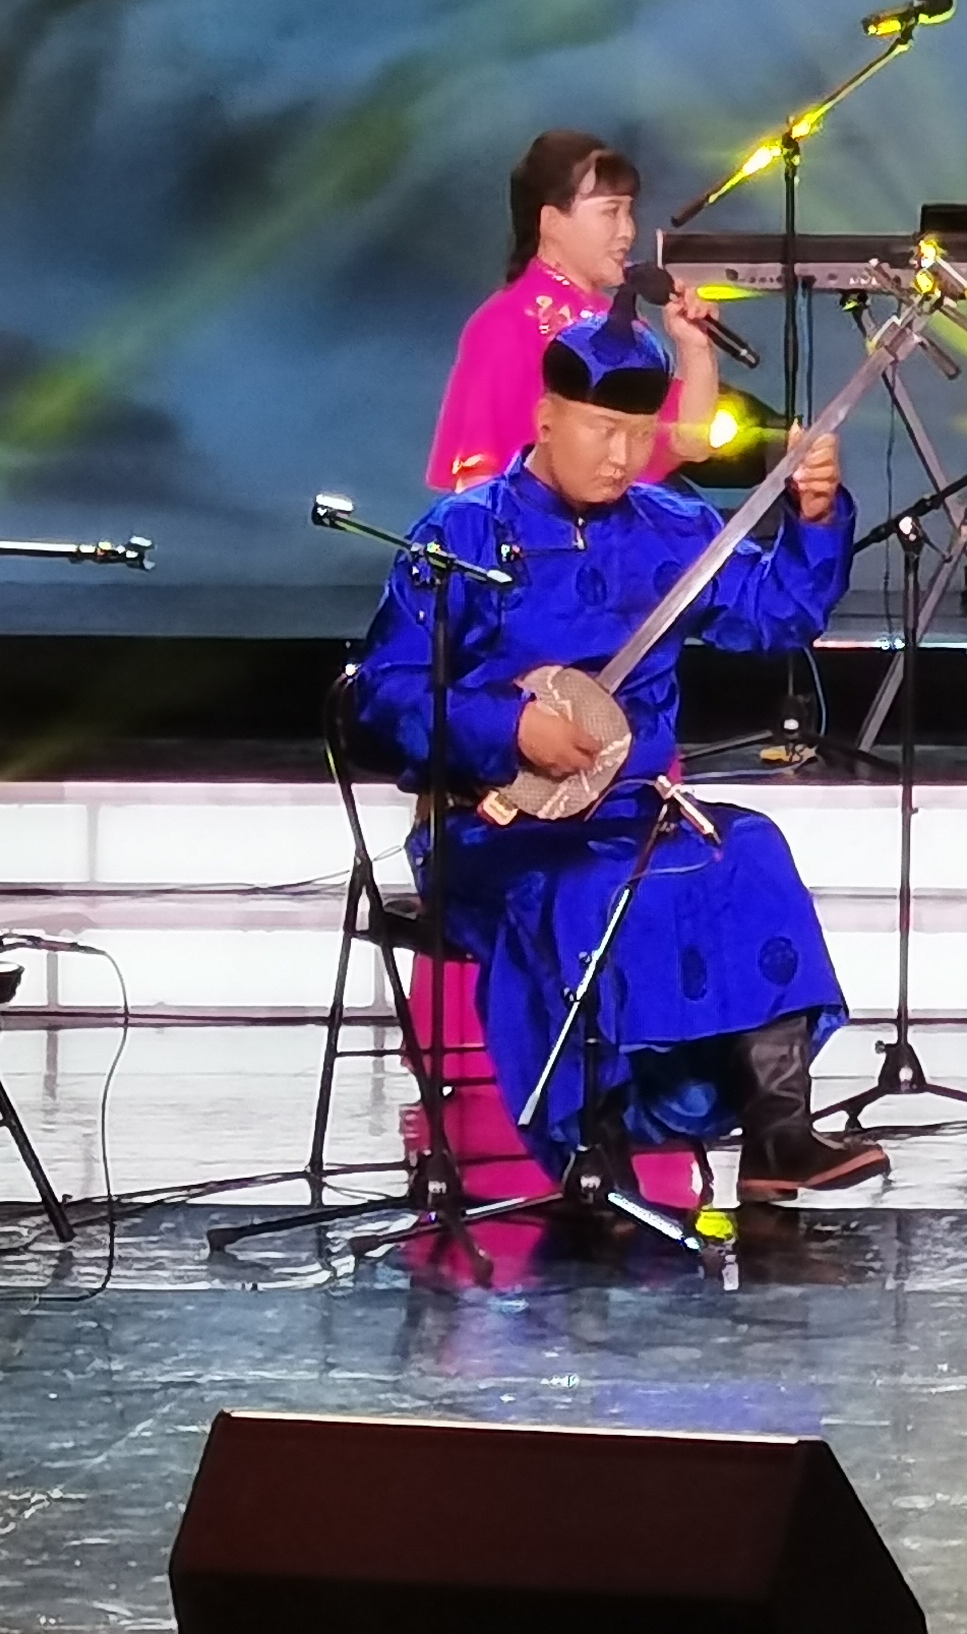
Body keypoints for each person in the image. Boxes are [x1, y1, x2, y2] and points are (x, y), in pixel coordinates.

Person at [351, 291, 879, 1204]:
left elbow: (776, 614)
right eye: (601, 431)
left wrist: (816, 518)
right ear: (547, 418)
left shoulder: (672, 526)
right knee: (586, 888)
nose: (621, 456)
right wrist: (508, 727)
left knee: (750, 848)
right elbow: (381, 695)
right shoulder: (465, 533)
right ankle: (591, 1143)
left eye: (638, 435)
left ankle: (777, 1131)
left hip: (632, 811)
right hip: (495, 826)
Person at [427, 129, 721, 493]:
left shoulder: (623, 325)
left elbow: (691, 442)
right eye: (610, 212)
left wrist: (695, 348)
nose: (627, 231)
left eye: (628, 212)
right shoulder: (505, 324)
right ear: (551, 222)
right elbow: (479, 480)